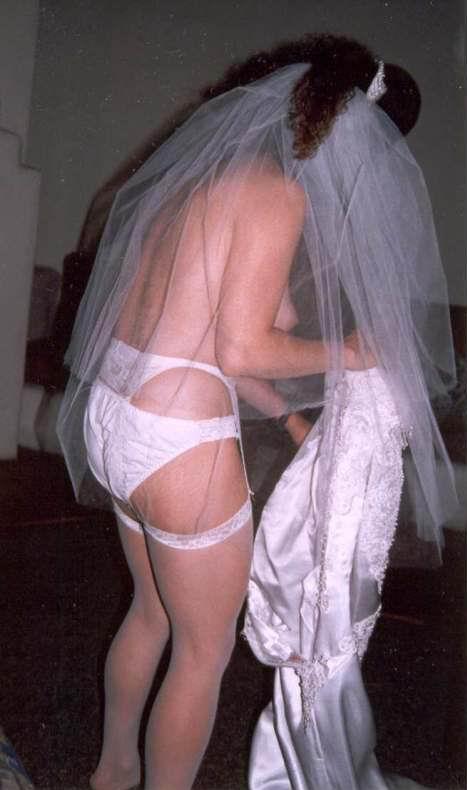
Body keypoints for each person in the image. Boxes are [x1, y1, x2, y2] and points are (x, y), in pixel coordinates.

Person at [57, 33, 456, 790]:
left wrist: (289, 419)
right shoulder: (276, 194)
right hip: (179, 445)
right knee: (203, 654)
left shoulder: (194, 183)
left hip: (117, 417)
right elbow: (241, 350)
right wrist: (348, 352)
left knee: (151, 613)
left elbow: (206, 340)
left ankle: (113, 771)